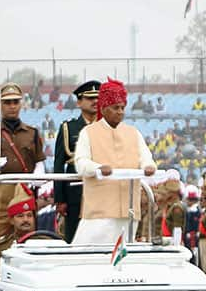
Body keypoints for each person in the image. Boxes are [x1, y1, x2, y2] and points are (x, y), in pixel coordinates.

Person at [73, 78, 156, 245]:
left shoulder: (133, 133)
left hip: (129, 210)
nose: (120, 112)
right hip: (99, 211)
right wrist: (97, 168)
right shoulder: (88, 132)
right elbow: (81, 163)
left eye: (123, 108)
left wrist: (148, 167)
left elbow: (147, 158)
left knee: (122, 257)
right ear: (103, 109)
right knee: (89, 254)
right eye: (115, 108)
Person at [0, 83, 46, 249]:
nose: (12, 106)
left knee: (27, 235)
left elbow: (39, 161)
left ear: (21, 104)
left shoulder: (32, 133)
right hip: (0, 188)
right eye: (7, 102)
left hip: (24, 188)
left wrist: (37, 176)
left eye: (15, 102)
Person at [54, 80, 101, 242]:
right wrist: (60, 198)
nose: (95, 101)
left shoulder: (107, 127)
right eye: (89, 98)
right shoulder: (69, 128)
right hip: (75, 192)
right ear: (79, 102)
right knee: (74, 236)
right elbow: (59, 164)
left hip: (101, 188)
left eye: (98, 98)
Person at [0, 185, 37, 290]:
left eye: (29, 215)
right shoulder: (2, 246)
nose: (25, 220)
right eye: (20, 216)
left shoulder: (47, 241)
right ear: (11, 221)